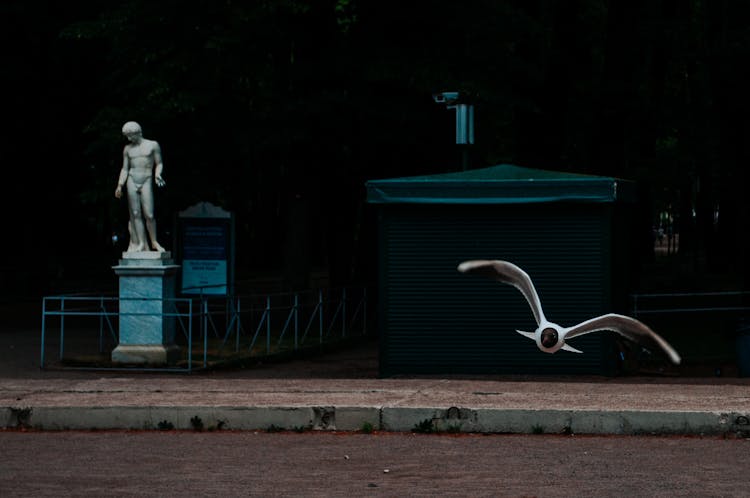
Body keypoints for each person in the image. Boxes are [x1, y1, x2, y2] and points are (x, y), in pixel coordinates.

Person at [115, 121, 166, 252]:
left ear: (137, 132)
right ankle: (141, 243)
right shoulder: (127, 149)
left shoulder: (152, 145)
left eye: (130, 135)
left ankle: (154, 241)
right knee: (136, 213)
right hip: (132, 179)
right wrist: (120, 185)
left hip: (146, 179)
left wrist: (157, 174)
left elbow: (159, 163)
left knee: (149, 214)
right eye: (127, 136)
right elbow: (125, 169)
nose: (129, 138)